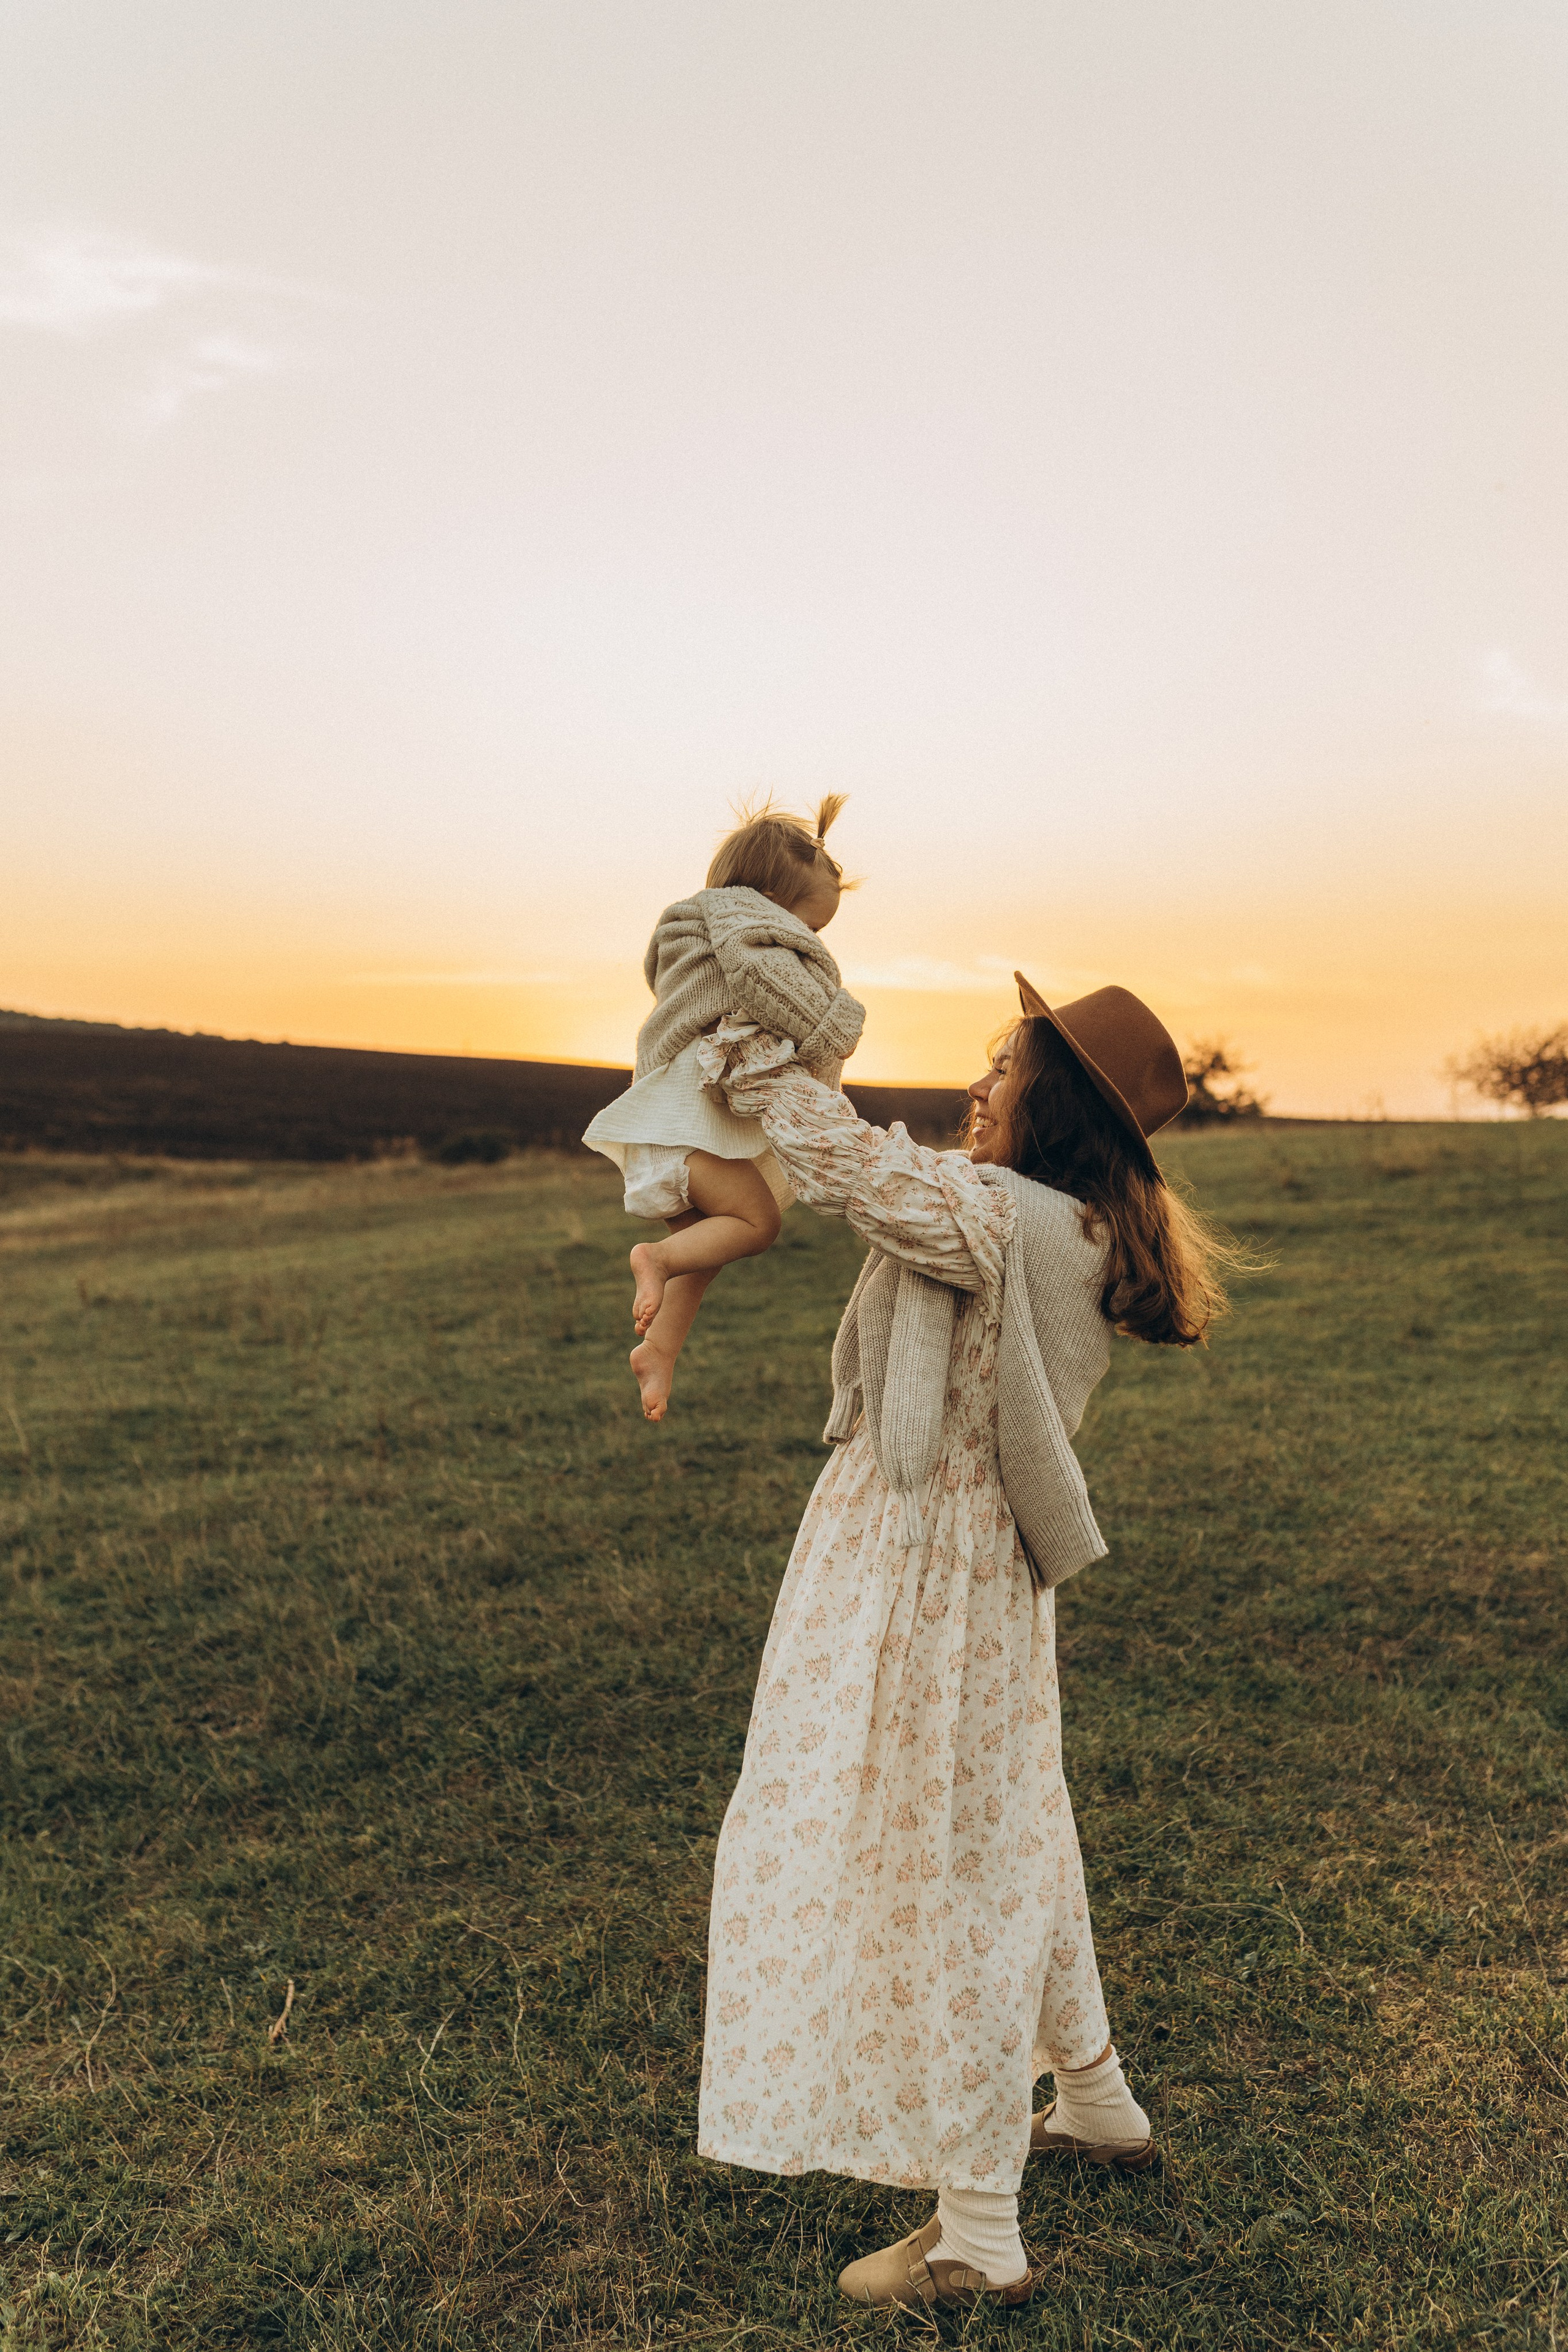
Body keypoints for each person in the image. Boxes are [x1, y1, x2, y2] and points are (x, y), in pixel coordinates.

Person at [693, 975, 1237, 2313]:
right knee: (1010, 1829)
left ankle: (978, 2233)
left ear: (1055, 1107)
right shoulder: (1071, 1222)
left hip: (923, 1574)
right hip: (967, 1572)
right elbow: (877, 1171)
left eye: (1005, 1069)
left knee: (950, 1870)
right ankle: (1096, 2098)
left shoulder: (997, 1218)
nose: (978, 1086)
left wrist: (747, 1044)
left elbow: (840, 1164)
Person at [582, 798, 865, 1421]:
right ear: (767, 903)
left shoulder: (699, 929)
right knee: (756, 1224)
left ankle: (659, 1351)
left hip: (671, 1117)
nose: (809, 945)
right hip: (682, 1122)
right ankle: (653, 1260)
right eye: (809, 930)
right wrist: (838, 1022)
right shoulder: (743, 930)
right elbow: (774, 987)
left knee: (704, 1252)